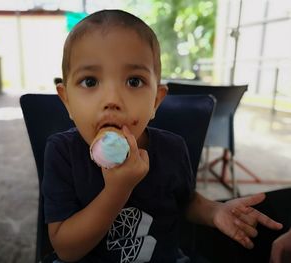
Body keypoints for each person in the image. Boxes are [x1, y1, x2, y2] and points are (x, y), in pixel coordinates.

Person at [42, 9, 283, 262]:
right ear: (67, 100)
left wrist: (214, 211)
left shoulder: (172, 148)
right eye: (90, 82)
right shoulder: (61, 152)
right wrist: (118, 190)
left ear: (156, 101)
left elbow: (185, 201)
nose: (111, 100)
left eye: (134, 81)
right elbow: (66, 249)